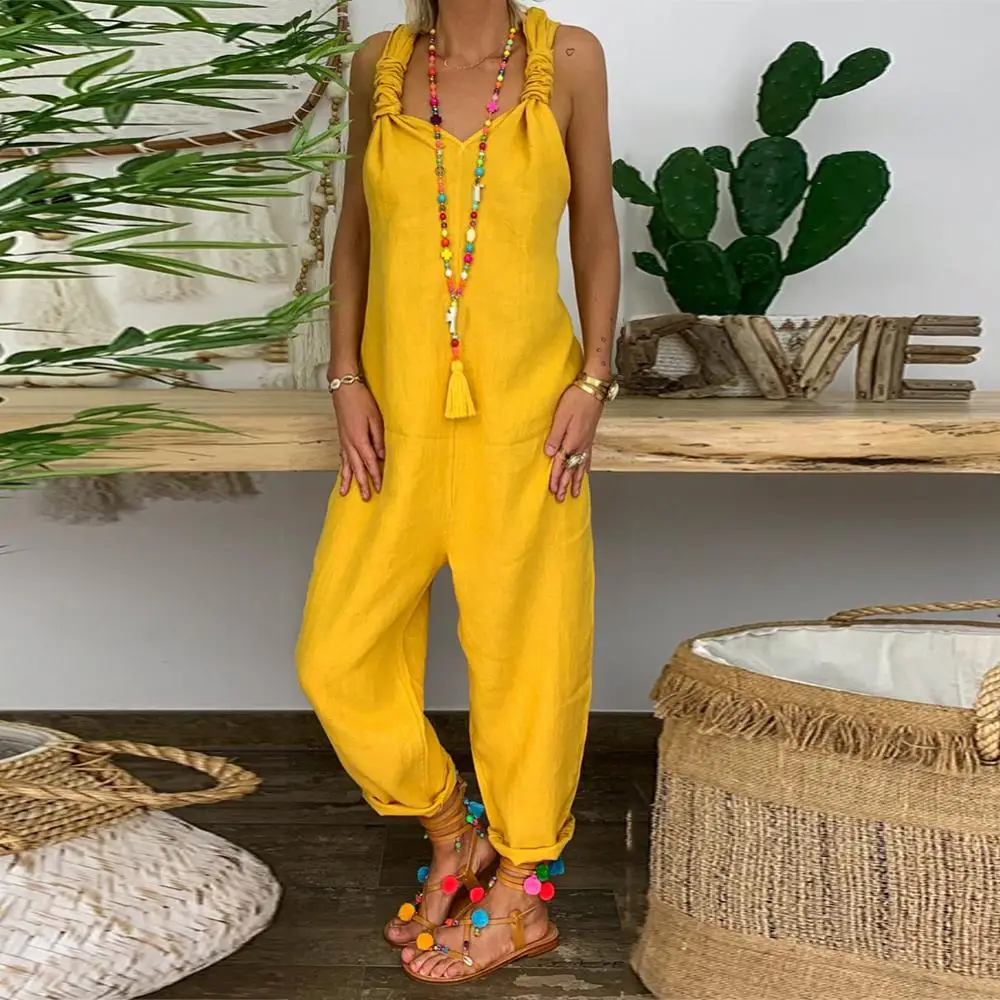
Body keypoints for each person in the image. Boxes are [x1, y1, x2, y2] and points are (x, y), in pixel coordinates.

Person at [296, 0, 620, 983]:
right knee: (336, 654)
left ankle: (522, 891)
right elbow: (354, 232)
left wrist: (593, 378)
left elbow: (594, 227)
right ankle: (452, 828)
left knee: (529, 657)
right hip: (395, 424)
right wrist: (345, 377)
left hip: (526, 425)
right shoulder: (381, 65)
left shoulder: (569, 58)